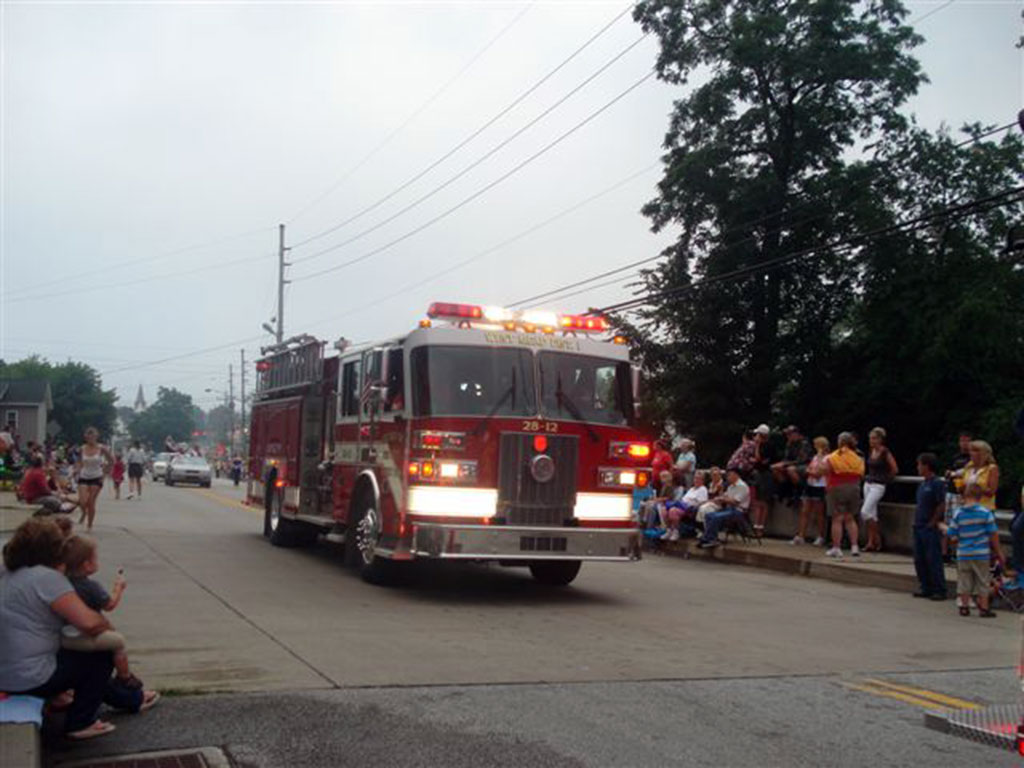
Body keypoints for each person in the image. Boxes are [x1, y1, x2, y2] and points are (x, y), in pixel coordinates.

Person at [0, 518, 157, 740]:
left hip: (6, 672)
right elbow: (89, 623)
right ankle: (81, 722)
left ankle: (131, 699)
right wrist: (106, 626)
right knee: (100, 655)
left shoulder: (7, 571)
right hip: (27, 678)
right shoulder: (47, 579)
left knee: (80, 662)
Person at [61, 535, 143, 687]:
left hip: (64, 635)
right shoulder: (91, 587)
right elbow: (109, 605)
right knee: (118, 642)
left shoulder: (61, 582)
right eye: (95, 559)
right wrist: (118, 588)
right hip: (83, 636)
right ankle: (124, 676)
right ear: (86, 565)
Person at [946, 483, 1003, 617]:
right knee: (982, 581)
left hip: (964, 553)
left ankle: (964, 606)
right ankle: (983, 608)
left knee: (964, 580)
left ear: (965, 495)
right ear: (980, 497)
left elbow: (951, 533)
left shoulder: (958, 513)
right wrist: (998, 551)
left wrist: (952, 537)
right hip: (981, 553)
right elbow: (993, 533)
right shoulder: (985, 513)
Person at [912, 453, 948, 601]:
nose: (918, 468)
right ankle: (925, 586)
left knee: (933, 558)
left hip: (929, 526)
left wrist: (934, 521)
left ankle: (939, 588)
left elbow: (941, 503)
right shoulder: (923, 484)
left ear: (927, 466)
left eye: (920, 464)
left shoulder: (936, 483)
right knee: (919, 559)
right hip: (919, 525)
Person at [823, 432, 865, 559]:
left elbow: (827, 470)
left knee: (837, 518)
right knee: (850, 518)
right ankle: (854, 546)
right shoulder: (858, 457)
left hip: (837, 486)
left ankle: (836, 547)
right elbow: (861, 473)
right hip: (854, 487)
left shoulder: (834, 456)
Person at [860, 427, 899, 552]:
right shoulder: (871, 451)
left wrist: (885, 479)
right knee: (872, 514)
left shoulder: (885, 452)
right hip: (868, 483)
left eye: (874, 438)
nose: (872, 441)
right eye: (871, 438)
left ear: (880, 439)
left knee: (865, 512)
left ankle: (877, 538)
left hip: (878, 485)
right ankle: (871, 542)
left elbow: (894, 469)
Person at [698, 468, 750, 548]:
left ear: (736, 475)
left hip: (738, 511)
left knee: (715, 517)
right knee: (709, 515)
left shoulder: (742, 486)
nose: (727, 477)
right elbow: (724, 497)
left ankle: (710, 539)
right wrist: (721, 491)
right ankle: (709, 537)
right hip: (729, 509)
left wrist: (722, 499)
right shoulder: (730, 487)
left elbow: (735, 502)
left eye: (730, 475)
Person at [792, 436, 829, 546]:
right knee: (805, 510)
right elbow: (809, 469)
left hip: (820, 485)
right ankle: (801, 535)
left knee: (819, 512)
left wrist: (810, 472)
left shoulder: (827, 458)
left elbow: (818, 473)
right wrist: (810, 471)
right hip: (810, 484)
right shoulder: (815, 457)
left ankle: (820, 536)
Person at [75, 427, 114, 531]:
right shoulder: (82, 448)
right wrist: (77, 470)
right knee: (83, 501)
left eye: (93, 436)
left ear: (96, 437)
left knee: (91, 501)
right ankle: (84, 512)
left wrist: (105, 474)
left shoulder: (102, 448)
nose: (91, 438)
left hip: (97, 476)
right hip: (84, 475)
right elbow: (79, 461)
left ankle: (89, 525)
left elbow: (111, 461)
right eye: (88, 436)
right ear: (85, 437)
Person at [660, 470, 709, 541]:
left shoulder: (703, 489)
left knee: (672, 511)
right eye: (695, 478)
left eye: (698, 479)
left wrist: (690, 504)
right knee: (664, 509)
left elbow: (702, 502)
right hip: (682, 505)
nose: (696, 480)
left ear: (702, 480)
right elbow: (684, 498)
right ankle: (669, 530)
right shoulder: (692, 489)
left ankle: (676, 531)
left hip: (689, 508)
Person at [772, 426, 812, 504]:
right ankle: (786, 491)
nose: (788, 436)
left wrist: (785, 464)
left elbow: (801, 460)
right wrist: (781, 464)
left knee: (791, 470)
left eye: (789, 434)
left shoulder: (804, 443)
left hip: (805, 465)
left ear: (796, 434)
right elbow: (786, 457)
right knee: (775, 468)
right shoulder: (790, 444)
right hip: (793, 464)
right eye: (787, 435)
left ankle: (800, 491)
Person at [750, 424, 774, 537]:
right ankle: (756, 525)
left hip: (765, 474)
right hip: (759, 473)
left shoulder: (767, 446)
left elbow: (758, 458)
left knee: (763, 502)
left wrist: (757, 445)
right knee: (757, 501)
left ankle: (760, 527)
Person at [962, 440, 999, 511]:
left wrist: (975, 488)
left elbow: (991, 491)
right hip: (967, 506)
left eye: (974, 451)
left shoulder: (991, 468)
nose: (971, 453)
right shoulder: (968, 467)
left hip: (984, 507)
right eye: (970, 450)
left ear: (983, 454)